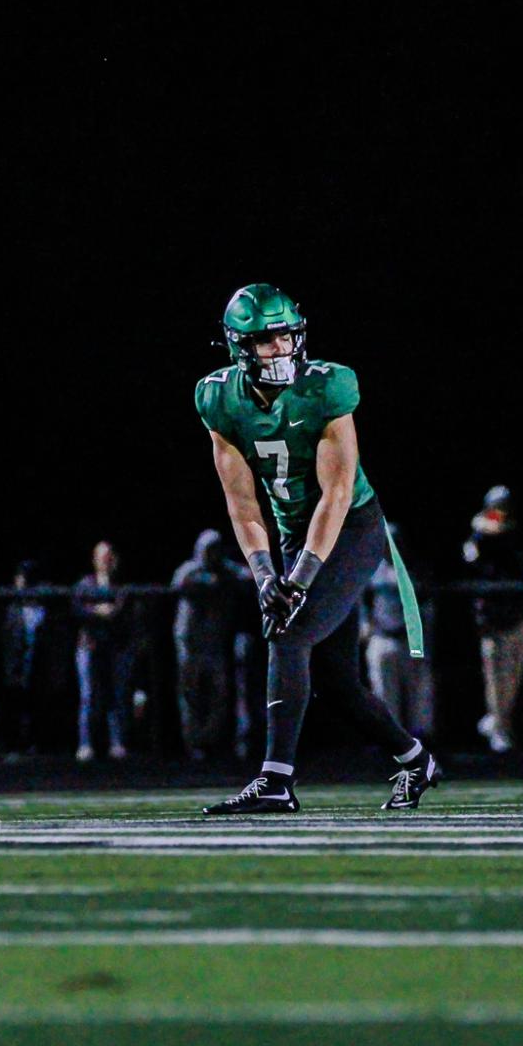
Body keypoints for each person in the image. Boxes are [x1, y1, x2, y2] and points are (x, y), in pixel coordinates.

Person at [195, 283, 438, 813]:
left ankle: (276, 779)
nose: (281, 349)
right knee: (336, 682)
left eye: (286, 337)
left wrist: (298, 580)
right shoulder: (218, 397)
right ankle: (416, 761)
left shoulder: (327, 387)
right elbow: (242, 504)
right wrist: (264, 575)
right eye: (267, 341)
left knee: (286, 632)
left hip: (350, 529)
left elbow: (338, 493)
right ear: (241, 346)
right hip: (290, 534)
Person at [463, 486, 523, 752]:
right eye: (497, 506)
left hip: (519, 615)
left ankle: (498, 720)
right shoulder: (480, 535)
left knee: (514, 676)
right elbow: (472, 558)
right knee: (497, 677)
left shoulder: (518, 536)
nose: (501, 511)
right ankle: (500, 727)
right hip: (493, 618)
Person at [171, 529, 243, 758]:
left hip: (215, 645)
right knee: (190, 695)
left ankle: (211, 740)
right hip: (189, 644)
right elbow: (179, 584)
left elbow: (246, 575)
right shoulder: (189, 570)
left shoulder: (226, 569)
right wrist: (208, 581)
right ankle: (193, 744)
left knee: (218, 696)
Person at [363, 524, 435, 740]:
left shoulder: (414, 571)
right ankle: (389, 739)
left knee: (418, 693)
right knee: (383, 693)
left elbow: (427, 606)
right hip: (382, 637)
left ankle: (422, 738)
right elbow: (363, 605)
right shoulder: (370, 571)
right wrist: (367, 628)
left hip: (409, 640)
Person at [72, 541, 132, 762]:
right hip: (89, 647)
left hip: (114, 648)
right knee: (88, 696)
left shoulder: (119, 585)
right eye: (101, 556)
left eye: (109, 556)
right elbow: (77, 608)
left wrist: (111, 611)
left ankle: (117, 743)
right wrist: (97, 611)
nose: (105, 561)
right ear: (94, 560)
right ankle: (85, 744)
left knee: (116, 696)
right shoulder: (85, 584)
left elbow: (123, 608)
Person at [0, 558, 49, 759]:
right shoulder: (11, 610)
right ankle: (13, 745)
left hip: (36, 666)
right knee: (14, 704)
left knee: (35, 705)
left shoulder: (42, 610)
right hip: (15, 667)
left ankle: (34, 743)